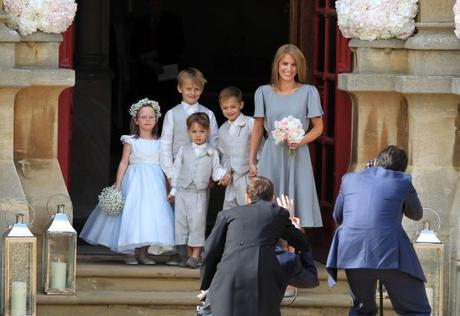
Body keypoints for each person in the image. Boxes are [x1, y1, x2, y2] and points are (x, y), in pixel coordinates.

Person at [326, 145, 431, 315]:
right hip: (389, 252)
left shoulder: (349, 179)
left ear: (376, 161)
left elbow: (337, 216)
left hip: (352, 251)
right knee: (417, 310)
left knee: (362, 309)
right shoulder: (403, 180)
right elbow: (416, 214)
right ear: (401, 168)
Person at [80, 98, 174, 264]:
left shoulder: (161, 142)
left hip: (155, 183)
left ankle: (143, 254)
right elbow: (124, 163)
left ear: (157, 119)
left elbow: (166, 164)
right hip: (134, 182)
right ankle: (129, 252)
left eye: (151, 117)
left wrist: (170, 185)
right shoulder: (131, 140)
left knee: (150, 216)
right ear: (136, 120)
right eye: (143, 117)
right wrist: (117, 185)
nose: (147, 120)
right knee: (132, 214)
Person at [200, 176, 311, 316]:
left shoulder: (227, 215)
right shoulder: (278, 213)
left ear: (247, 198)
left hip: (230, 272)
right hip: (263, 274)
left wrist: (206, 284)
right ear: (272, 198)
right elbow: (302, 243)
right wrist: (292, 221)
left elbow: (210, 251)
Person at [248, 44, 324, 228]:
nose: (288, 69)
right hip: (271, 155)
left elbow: (318, 128)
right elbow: (258, 128)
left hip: (298, 155)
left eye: (293, 65)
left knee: (297, 210)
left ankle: (296, 253)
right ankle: (272, 253)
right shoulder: (263, 92)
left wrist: (299, 141)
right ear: (277, 65)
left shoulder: (309, 92)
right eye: (284, 64)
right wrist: (251, 160)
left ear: (299, 68)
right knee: (267, 209)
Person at [168, 112, 230, 269]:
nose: (198, 135)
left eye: (202, 131)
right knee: (183, 223)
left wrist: (224, 175)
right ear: (189, 132)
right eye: (194, 131)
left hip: (198, 193)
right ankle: (188, 255)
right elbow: (176, 170)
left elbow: (216, 171)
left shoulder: (212, 152)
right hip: (182, 191)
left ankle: (196, 255)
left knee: (197, 223)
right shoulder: (184, 150)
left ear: (208, 132)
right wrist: (173, 190)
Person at [160, 67, 218, 183]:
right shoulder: (172, 114)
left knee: (201, 200)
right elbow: (165, 144)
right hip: (178, 169)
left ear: (201, 90)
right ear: (179, 88)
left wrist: (211, 173)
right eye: (188, 89)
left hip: (203, 170)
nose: (192, 93)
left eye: (197, 89)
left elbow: (214, 142)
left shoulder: (209, 114)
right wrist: (170, 174)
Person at [217, 86, 255, 209]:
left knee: (248, 210)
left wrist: (256, 170)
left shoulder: (250, 123)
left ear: (241, 105)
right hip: (232, 179)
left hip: (248, 176)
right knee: (229, 212)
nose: (229, 111)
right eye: (225, 108)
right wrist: (225, 172)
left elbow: (260, 151)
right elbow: (225, 155)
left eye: (233, 107)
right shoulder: (222, 129)